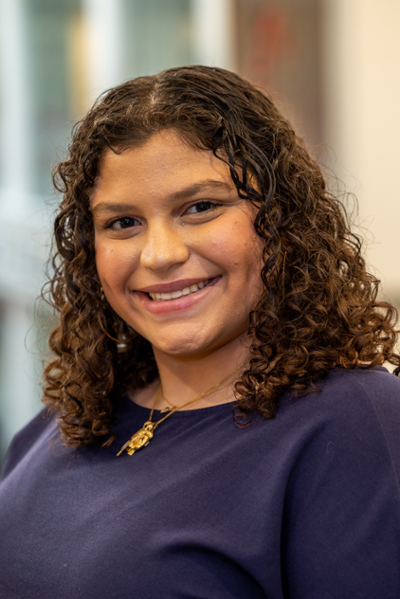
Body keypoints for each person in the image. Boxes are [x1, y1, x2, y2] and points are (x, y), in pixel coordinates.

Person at [0, 65, 399, 599]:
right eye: (122, 222)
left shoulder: (354, 423)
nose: (160, 254)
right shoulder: (75, 413)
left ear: (280, 220)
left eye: (200, 208)